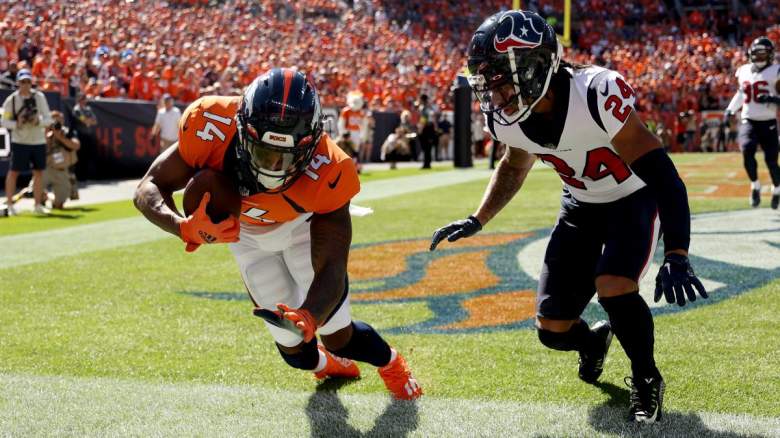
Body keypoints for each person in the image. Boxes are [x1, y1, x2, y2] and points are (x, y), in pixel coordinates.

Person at [430, 10, 707, 424]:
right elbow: (513, 165)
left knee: (613, 285)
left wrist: (678, 252)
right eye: (488, 81)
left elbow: (665, 178)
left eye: (500, 78)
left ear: (534, 67)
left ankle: (646, 377)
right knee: (552, 328)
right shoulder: (508, 117)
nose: (494, 92)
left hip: (631, 199)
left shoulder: (596, 92)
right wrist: (479, 217)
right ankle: (594, 343)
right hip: (579, 204)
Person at [133, 68, 422, 400]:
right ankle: (329, 364)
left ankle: (391, 362)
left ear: (312, 142)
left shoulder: (330, 168)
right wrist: (181, 227)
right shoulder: (209, 124)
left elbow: (332, 266)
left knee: (335, 334)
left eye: (286, 156)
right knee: (294, 352)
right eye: (263, 151)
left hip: (303, 229)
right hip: (246, 238)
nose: (273, 166)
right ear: (242, 128)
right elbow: (149, 187)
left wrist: (310, 316)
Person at [723, 37, 780, 209]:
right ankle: (755, 186)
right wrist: (730, 110)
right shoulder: (744, 70)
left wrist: (773, 99)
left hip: (768, 121)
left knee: (771, 161)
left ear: (770, 55)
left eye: (763, 54)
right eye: (757, 54)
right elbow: (741, 94)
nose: (760, 58)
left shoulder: (776, 71)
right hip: (748, 119)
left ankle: (777, 189)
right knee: (747, 150)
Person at [2, 68, 53, 215]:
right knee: (13, 172)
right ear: (18, 83)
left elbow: (48, 119)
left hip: (38, 140)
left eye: (28, 82)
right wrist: (17, 123)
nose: (25, 84)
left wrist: (38, 121)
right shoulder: (11, 100)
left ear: (32, 82)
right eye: (23, 82)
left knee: (38, 173)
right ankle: (10, 205)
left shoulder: (40, 97)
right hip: (20, 141)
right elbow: (4, 121)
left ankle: (37, 205)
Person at [42, 111, 80, 209]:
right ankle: (42, 197)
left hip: (62, 170)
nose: (57, 123)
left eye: (59, 121)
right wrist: (49, 133)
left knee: (59, 204)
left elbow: (76, 146)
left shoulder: (68, 132)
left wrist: (60, 137)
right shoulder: (45, 132)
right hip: (47, 169)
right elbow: (41, 148)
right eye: (55, 121)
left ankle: (49, 197)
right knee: (34, 190)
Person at [71, 93, 98, 198]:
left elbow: (94, 121)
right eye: (82, 99)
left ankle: (85, 176)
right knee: (80, 156)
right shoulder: (77, 109)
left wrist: (88, 121)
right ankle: (79, 176)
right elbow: (84, 120)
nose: (84, 101)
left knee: (87, 155)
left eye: (84, 99)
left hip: (87, 135)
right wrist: (88, 120)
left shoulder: (88, 109)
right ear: (78, 100)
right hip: (80, 135)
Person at [416, 94, 438, 168]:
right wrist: (435, 127)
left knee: (425, 147)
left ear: (422, 100)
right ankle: (428, 163)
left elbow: (423, 119)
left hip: (426, 128)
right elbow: (434, 118)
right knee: (428, 147)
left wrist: (420, 129)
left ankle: (426, 164)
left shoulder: (423, 108)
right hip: (431, 128)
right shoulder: (430, 107)